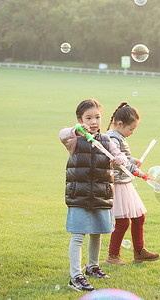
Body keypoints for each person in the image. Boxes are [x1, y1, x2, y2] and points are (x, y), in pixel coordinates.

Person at [59, 99, 127, 292]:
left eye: (97, 117)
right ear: (80, 120)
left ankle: (92, 267)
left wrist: (120, 158)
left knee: (96, 233)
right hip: (79, 195)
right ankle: (75, 276)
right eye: (88, 118)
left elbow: (117, 154)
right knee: (78, 235)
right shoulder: (74, 140)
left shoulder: (106, 140)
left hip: (100, 194)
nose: (94, 121)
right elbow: (61, 135)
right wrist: (76, 130)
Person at [103, 102, 160, 265]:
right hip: (119, 185)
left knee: (138, 217)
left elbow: (124, 158)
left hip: (125, 184)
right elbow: (117, 161)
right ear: (120, 124)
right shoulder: (112, 137)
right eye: (131, 129)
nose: (132, 133)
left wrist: (133, 161)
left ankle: (139, 251)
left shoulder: (118, 136)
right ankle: (112, 256)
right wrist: (136, 171)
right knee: (122, 222)